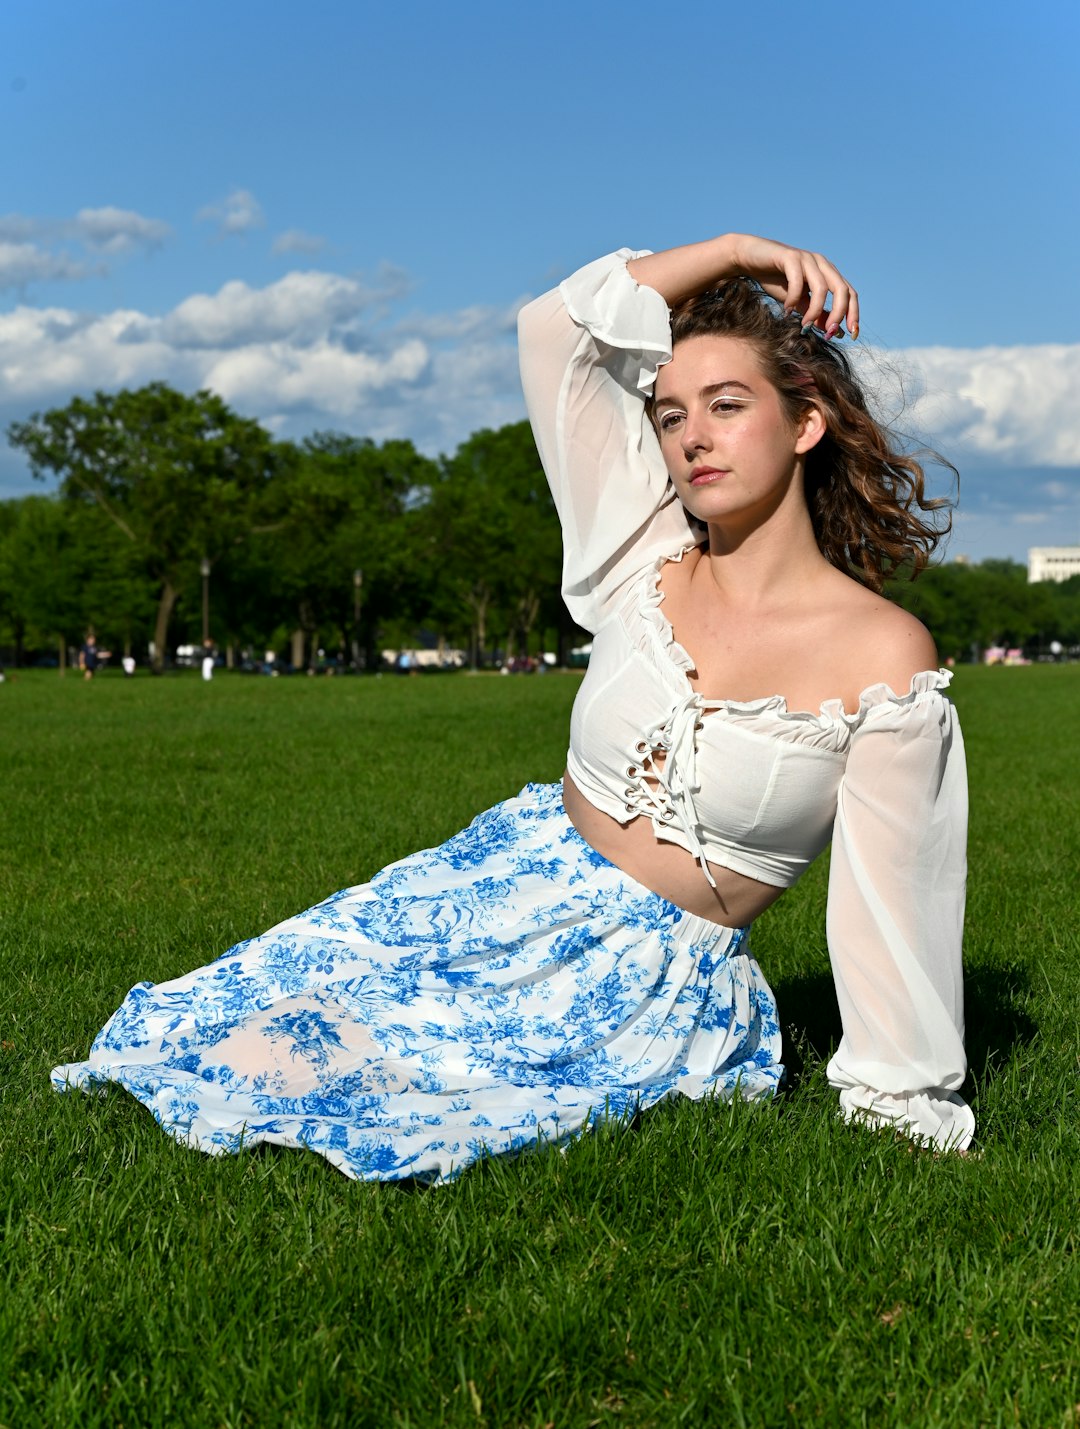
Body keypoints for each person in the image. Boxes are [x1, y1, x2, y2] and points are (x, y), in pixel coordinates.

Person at [51, 233, 972, 1181]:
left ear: (806, 422)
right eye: (667, 415)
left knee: (338, 1083)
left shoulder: (882, 654)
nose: (691, 436)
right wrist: (736, 253)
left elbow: (896, 903)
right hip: (495, 883)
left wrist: (901, 1095)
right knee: (232, 1022)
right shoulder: (641, 556)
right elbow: (555, 331)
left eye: (728, 406)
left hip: (644, 977)